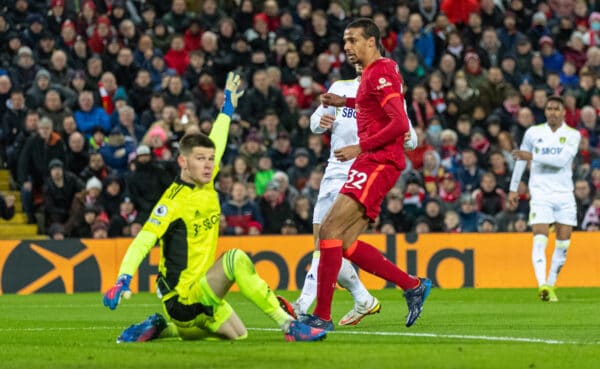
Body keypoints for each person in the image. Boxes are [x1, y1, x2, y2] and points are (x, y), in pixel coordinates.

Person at [102, 72, 325, 343]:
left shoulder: (206, 180)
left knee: (240, 335)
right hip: (182, 298)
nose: (209, 164)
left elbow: (217, 140)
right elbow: (144, 240)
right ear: (184, 163)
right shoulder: (172, 202)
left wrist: (227, 108)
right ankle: (289, 326)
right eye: (201, 159)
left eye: (210, 159)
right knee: (235, 259)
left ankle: (162, 326)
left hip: (201, 300)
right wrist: (123, 277)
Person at [299, 18, 431, 331]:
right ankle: (412, 285)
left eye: (353, 40)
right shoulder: (376, 72)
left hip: (378, 161)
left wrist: (360, 147)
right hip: (373, 161)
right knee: (342, 243)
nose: (347, 47)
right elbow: (370, 103)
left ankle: (323, 316)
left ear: (371, 41)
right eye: (345, 42)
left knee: (328, 231)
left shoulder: (382, 70)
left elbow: (399, 123)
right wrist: (344, 101)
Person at [278, 62, 418, 327]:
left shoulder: (387, 90)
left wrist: (401, 136)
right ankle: (366, 297)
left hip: (362, 170)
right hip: (333, 171)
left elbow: (410, 137)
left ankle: (303, 306)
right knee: (332, 245)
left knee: (328, 239)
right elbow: (314, 124)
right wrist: (320, 121)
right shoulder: (341, 88)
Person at [508, 96, 581, 302]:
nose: (552, 112)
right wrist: (514, 188)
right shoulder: (533, 132)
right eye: (549, 108)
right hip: (540, 193)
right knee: (540, 237)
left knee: (563, 244)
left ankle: (550, 284)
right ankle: (541, 284)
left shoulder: (572, 135)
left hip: (565, 194)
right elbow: (520, 162)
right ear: (545, 111)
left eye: (556, 108)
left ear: (563, 112)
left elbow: (561, 161)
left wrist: (532, 156)